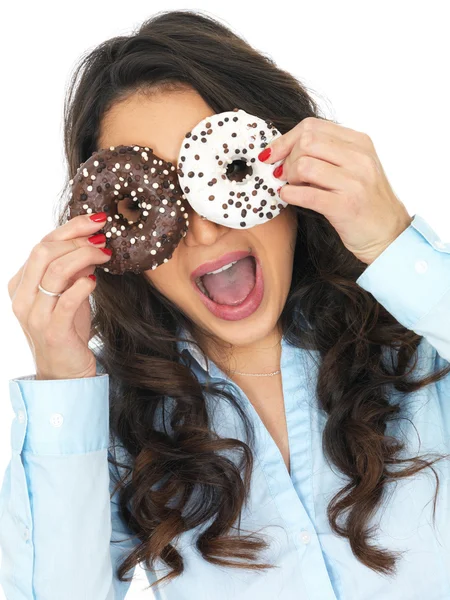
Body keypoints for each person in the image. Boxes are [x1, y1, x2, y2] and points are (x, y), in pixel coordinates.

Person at [2, 9, 450, 600]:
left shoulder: (418, 330)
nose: (204, 231)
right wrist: (63, 381)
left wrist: (392, 244)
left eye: (227, 172)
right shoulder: (113, 422)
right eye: (151, 205)